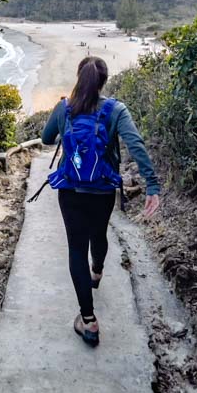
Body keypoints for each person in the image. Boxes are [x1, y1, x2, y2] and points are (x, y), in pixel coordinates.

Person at [41, 56, 160, 347]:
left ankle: (89, 321)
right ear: (103, 81)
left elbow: (46, 138)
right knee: (99, 234)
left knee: (76, 249)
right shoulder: (115, 109)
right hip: (103, 190)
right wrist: (152, 185)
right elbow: (135, 144)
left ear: (78, 77)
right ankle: (97, 272)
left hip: (71, 190)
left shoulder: (64, 107)